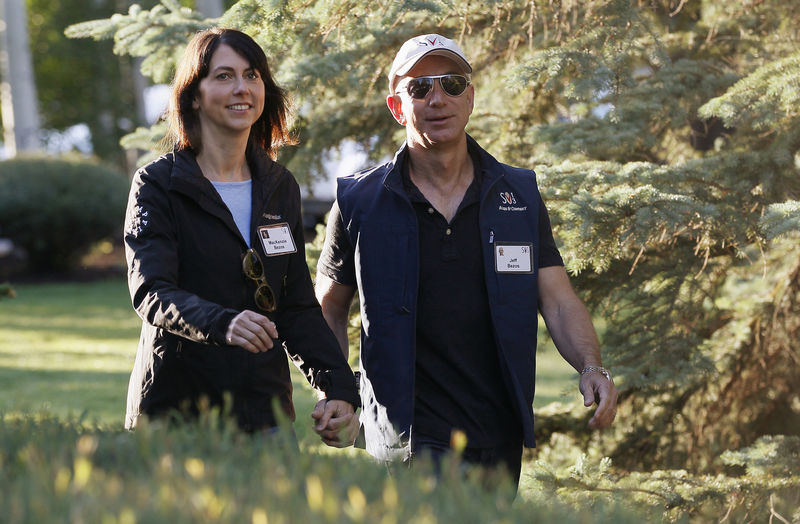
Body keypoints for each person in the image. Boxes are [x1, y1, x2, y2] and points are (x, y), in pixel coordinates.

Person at [313, 34, 618, 487]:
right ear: (397, 106)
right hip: (408, 434)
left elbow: (557, 300)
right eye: (420, 88)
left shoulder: (518, 195)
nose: (438, 98)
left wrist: (592, 368)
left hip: (496, 434)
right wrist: (335, 389)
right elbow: (329, 306)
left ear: (470, 97)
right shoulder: (360, 202)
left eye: (452, 84)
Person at [123, 28, 359, 440]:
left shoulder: (278, 185)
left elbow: (296, 305)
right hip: (177, 416)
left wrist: (338, 388)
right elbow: (152, 291)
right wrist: (223, 323)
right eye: (223, 76)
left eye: (252, 75)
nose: (242, 88)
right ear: (193, 95)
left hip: (264, 413)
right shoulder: (158, 184)